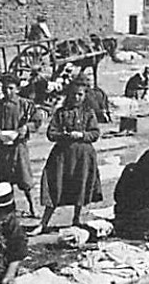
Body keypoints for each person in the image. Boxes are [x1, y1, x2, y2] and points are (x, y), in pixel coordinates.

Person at [31, 76, 103, 235]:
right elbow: (51, 133)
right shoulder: (61, 113)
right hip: (62, 156)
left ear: (85, 96)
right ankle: (43, 223)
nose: (76, 98)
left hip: (83, 156)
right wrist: (64, 135)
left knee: (80, 186)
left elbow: (95, 133)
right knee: (55, 186)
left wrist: (82, 135)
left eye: (80, 95)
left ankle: (76, 220)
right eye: (74, 94)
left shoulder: (89, 113)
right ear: (69, 95)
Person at [0, 74, 42, 217]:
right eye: (4, 89)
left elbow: (37, 120)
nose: (7, 92)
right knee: (4, 178)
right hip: (3, 148)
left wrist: (27, 128)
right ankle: (9, 209)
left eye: (11, 88)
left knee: (25, 178)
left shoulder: (25, 104)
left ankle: (33, 207)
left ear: (18, 88)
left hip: (19, 147)